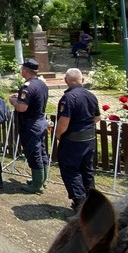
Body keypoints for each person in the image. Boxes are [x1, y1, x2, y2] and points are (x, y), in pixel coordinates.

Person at [52, 68, 101, 214]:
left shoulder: (68, 98)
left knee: (71, 171)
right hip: (89, 139)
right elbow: (97, 117)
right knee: (87, 170)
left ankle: (80, 205)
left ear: (66, 81)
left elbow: (64, 121)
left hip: (73, 140)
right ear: (82, 80)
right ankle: (92, 203)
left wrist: (59, 135)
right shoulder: (91, 96)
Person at [10, 59, 49, 194]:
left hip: (31, 125)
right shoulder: (41, 84)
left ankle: (37, 185)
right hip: (41, 121)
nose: (21, 71)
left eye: (22, 69)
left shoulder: (27, 87)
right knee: (42, 152)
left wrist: (13, 101)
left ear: (26, 71)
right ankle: (42, 180)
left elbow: (22, 107)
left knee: (33, 153)